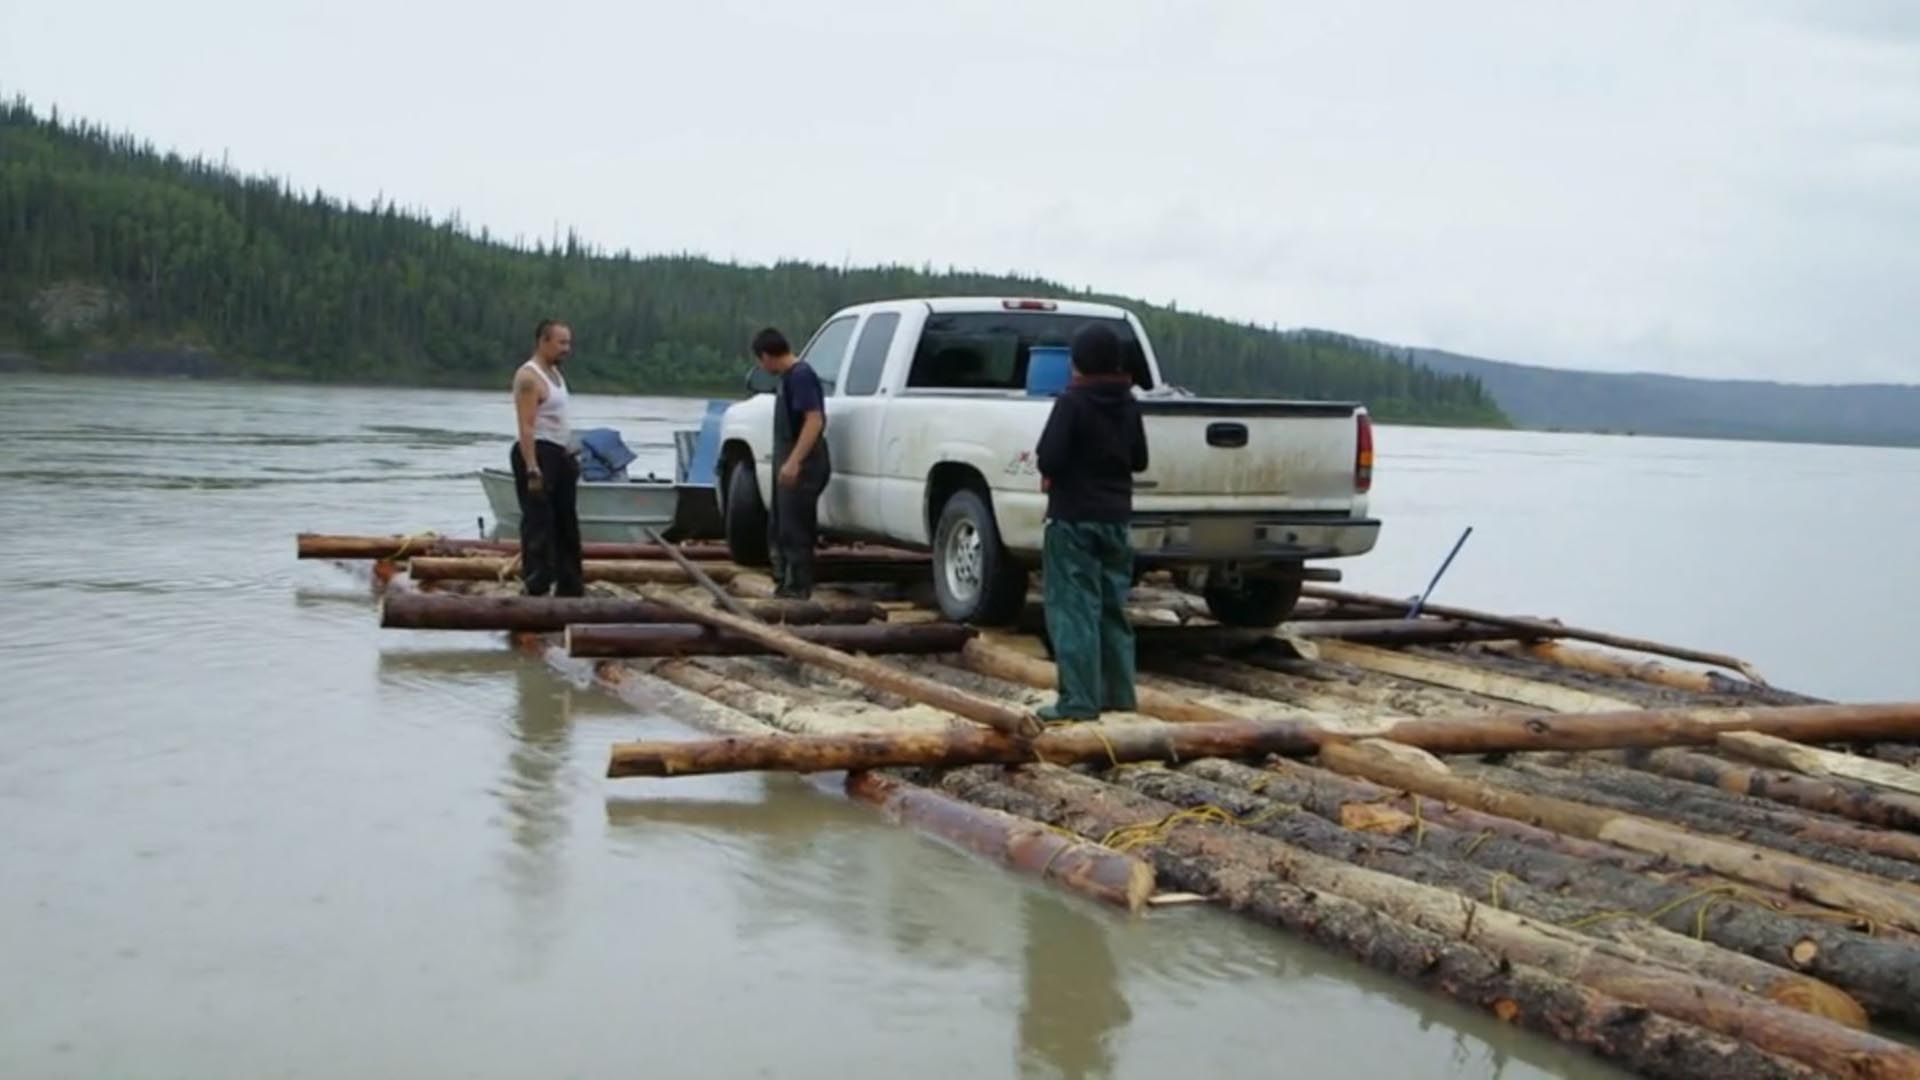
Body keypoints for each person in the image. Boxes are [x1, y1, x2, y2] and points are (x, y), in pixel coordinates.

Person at [1034, 323, 1149, 721]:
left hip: (1072, 519)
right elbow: (1139, 460)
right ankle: (1119, 694)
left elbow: (1049, 457)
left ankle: (1079, 701)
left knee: (1073, 609)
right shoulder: (1128, 403)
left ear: (1078, 362)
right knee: (1112, 607)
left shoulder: (1072, 402)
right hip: (1116, 519)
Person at [752, 327, 830, 599]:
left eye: (760, 361)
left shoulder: (801, 376)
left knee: (796, 529)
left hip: (805, 462)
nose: (762, 366)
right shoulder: (787, 379)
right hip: (788, 459)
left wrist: (795, 460)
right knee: (781, 526)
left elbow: (814, 420)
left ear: (766, 356)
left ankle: (798, 590)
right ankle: (785, 584)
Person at [510, 319, 583, 597]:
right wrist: (532, 468)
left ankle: (570, 585)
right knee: (539, 522)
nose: (567, 348)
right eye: (561, 342)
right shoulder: (528, 377)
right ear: (543, 341)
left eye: (568, 343)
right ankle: (536, 584)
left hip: (560, 453)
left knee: (566, 521)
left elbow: (557, 417)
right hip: (538, 452)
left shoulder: (555, 374)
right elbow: (526, 426)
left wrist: (569, 446)